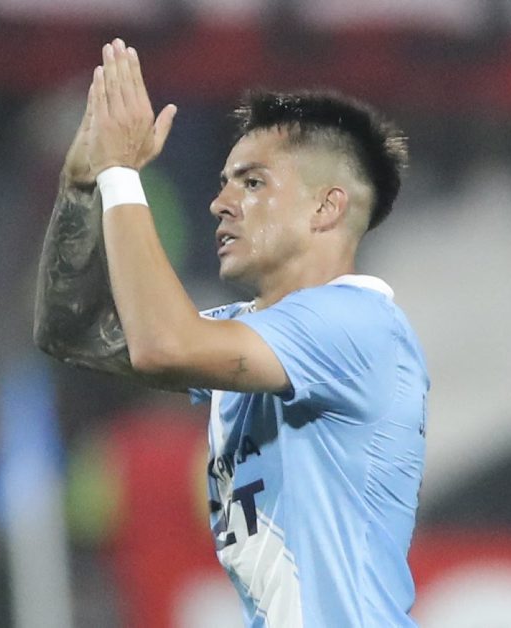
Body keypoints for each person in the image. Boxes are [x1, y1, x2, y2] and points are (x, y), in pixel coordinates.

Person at [34, 37, 428, 628]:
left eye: (252, 183)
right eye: (224, 182)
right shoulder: (253, 337)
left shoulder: (357, 327)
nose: (220, 203)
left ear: (326, 209)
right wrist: (83, 184)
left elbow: (163, 344)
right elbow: (69, 333)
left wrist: (120, 174)